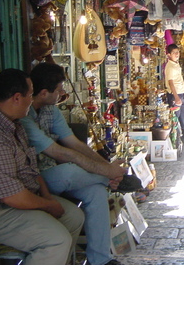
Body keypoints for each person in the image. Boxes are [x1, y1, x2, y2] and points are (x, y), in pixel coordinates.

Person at [20, 62, 132, 265]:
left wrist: (107, 167)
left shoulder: (51, 111)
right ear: (44, 93)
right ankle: (112, 180)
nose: (63, 93)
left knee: (96, 192)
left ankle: (100, 259)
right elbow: (59, 152)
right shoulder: (24, 118)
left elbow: (75, 144)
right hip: (36, 179)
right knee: (70, 171)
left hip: (56, 173)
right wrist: (108, 173)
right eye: (59, 90)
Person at [0, 68, 85, 265]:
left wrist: (47, 197)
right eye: (30, 94)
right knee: (56, 241)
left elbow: (31, 170)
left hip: (18, 199)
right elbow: (11, 195)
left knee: (74, 217)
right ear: (17, 98)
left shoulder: (14, 124)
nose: (31, 100)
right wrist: (47, 205)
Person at [165, 44, 184, 142]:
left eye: (177, 52)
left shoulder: (176, 64)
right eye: (174, 53)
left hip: (180, 93)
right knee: (175, 117)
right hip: (175, 95)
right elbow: (171, 83)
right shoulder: (169, 67)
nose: (176, 54)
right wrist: (176, 97)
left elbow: (179, 80)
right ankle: (175, 138)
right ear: (169, 54)